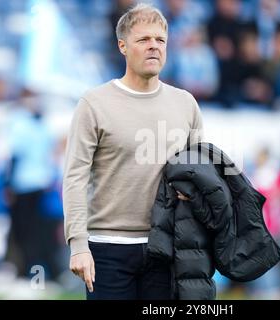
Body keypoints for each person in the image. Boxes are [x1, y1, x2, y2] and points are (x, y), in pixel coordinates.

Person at [62, 3, 204, 300]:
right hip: (107, 249)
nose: (154, 47)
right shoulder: (94, 103)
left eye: (160, 40)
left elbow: (198, 175)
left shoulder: (186, 104)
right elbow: (74, 178)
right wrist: (78, 246)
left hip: (165, 248)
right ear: (123, 46)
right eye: (143, 40)